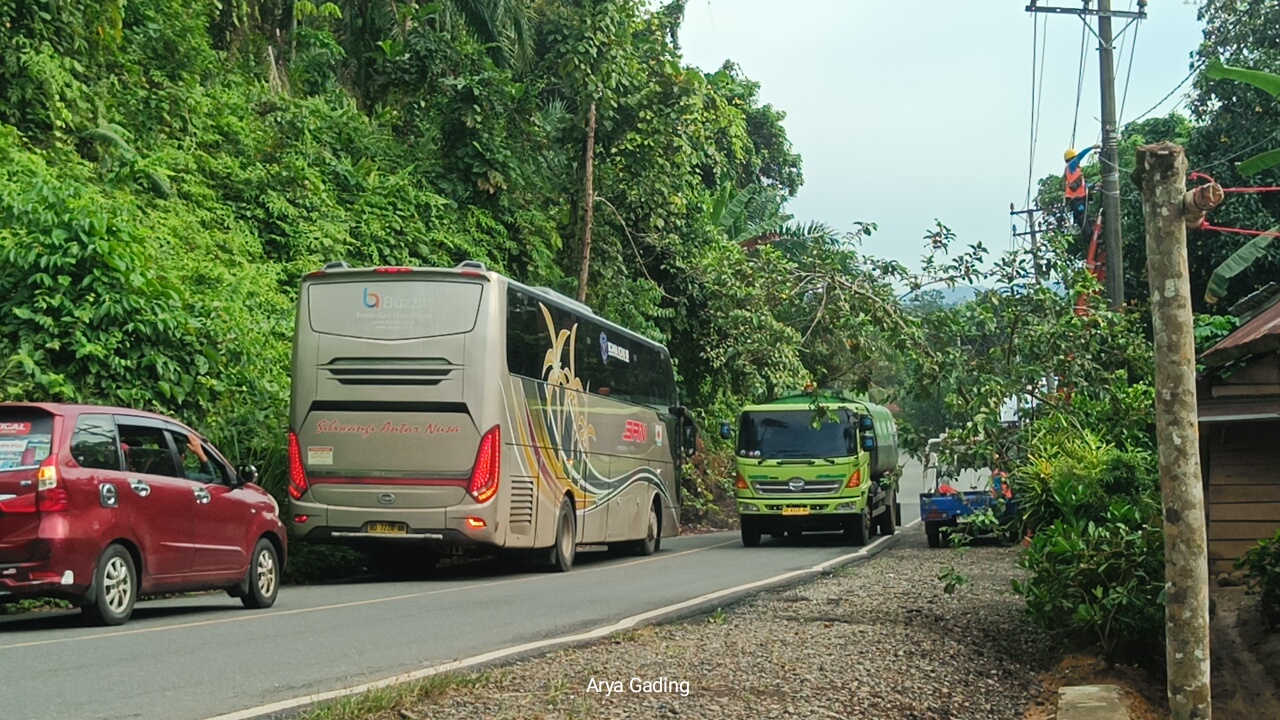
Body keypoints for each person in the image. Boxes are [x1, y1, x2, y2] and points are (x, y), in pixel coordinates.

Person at [1064, 145, 1100, 230]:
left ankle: (1091, 233)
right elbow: (1081, 155)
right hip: (1076, 199)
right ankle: (1089, 235)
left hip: (1080, 198)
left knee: (1084, 216)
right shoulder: (1071, 165)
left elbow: (1083, 185)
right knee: (1082, 217)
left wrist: (1094, 185)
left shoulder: (1074, 170)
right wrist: (1091, 147)